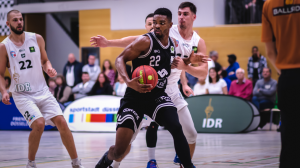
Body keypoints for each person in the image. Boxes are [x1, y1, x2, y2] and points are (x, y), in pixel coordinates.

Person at [90, 3, 209, 168]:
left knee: (177, 127)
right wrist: (128, 80)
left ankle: (186, 165)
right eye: (154, 23)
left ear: (169, 24)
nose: (156, 26)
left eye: (160, 23)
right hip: (136, 96)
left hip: (159, 94)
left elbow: (178, 61)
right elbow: (121, 57)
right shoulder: (147, 40)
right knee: (121, 149)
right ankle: (110, 160)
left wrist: (189, 62)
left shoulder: (176, 43)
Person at [0, 10, 84, 168]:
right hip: (22, 94)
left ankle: (76, 162)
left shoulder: (36, 38)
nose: (19, 22)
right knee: (38, 124)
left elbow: (45, 61)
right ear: (8, 24)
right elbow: (0, 73)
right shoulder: (4, 46)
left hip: (42, 90)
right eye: (15, 20)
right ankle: (31, 163)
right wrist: (4, 91)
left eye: (21, 19)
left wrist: (49, 69)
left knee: (62, 122)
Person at [262, 1, 300, 166]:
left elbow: (270, 52)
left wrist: (284, 71)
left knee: (289, 134)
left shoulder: (269, 5)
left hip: (287, 78)